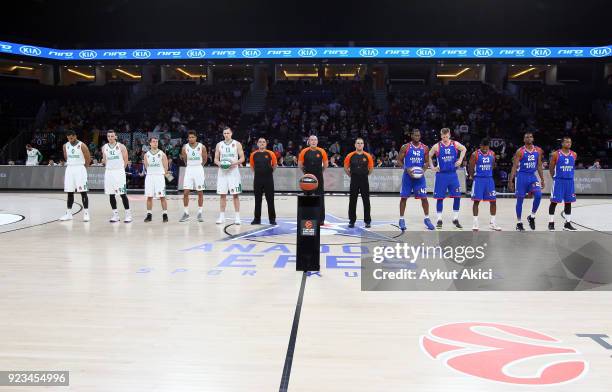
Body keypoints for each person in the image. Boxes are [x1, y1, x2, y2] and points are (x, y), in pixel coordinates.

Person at [428, 128, 467, 229]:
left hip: (452, 175)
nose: (445, 138)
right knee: (440, 198)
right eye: (443, 137)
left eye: (446, 136)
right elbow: (429, 155)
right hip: (441, 175)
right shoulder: (437, 146)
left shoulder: (455, 144)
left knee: (457, 196)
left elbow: (464, 149)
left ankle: (455, 219)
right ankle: (439, 219)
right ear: (441, 136)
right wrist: (432, 167)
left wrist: (460, 159)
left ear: (449, 135)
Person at [397, 129, 435, 231]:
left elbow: (427, 162)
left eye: (419, 135)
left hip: (419, 178)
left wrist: (423, 170)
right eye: (415, 135)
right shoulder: (405, 147)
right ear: (411, 136)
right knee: (404, 197)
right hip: (407, 176)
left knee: (424, 198)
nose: (417, 137)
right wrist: (407, 169)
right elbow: (398, 161)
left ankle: (427, 219)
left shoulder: (425, 148)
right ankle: (401, 219)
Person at [508, 132, 545, 231]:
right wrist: (510, 181)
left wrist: (542, 179)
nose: (529, 138)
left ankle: (532, 216)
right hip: (521, 177)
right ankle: (519, 223)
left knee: (538, 195)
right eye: (526, 137)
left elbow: (539, 166)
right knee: (520, 200)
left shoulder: (538, 150)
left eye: (530, 137)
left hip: (532, 177)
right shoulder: (520, 151)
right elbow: (514, 166)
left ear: (533, 139)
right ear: (524, 140)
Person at [468, 138, 501, 231]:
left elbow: (493, 165)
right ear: (480, 146)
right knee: (476, 201)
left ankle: (493, 223)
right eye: (484, 146)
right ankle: (475, 223)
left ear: (489, 147)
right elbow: (470, 167)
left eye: (487, 147)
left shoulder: (492, 154)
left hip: (489, 180)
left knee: (493, 201)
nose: (485, 148)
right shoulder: (475, 154)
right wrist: (473, 177)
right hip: (478, 180)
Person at [214, 127, 245, 225]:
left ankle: (237, 217)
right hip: (222, 172)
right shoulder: (219, 145)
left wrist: (233, 163)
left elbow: (243, 158)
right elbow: (215, 159)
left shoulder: (237, 144)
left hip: (234, 172)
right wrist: (221, 164)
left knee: (235, 195)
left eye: (228, 133)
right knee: (222, 195)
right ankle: (221, 216)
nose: (226, 135)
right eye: (224, 133)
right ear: (223, 134)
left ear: (231, 133)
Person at [59, 130, 91, 222]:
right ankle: (69, 214)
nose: (70, 140)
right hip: (70, 168)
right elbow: (66, 157)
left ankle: (86, 214)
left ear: (75, 136)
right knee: (70, 192)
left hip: (80, 168)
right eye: (68, 138)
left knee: (83, 192)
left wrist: (84, 169)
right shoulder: (65, 145)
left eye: (72, 138)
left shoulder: (82, 145)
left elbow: (88, 159)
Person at [102, 130, 132, 223]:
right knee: (111, 194)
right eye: (108, 136)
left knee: (122, 194)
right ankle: (115, 215)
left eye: (112, 136)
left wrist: (121, 170)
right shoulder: (104, 147)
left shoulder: (121, 146)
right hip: (109, 172)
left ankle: (128, 215)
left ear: (115, 137)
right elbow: (104, 160)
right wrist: (104, 162)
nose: (110, 138)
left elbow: (126, 160)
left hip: (118, 172)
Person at [548, 136, 577, 231]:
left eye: (570, 142)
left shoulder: (574, 154)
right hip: (559, 181)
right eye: (567, 142)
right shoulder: (556, 154)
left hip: (569, 181)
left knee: (568, 202)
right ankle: (551, 223)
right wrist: (555, 178)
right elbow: (551, 168)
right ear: (562, 143)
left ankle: (567, 223)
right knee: (554, 202)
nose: (569, 144)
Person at [298, 135, 329, 225]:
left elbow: (326, 164)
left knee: (320, 197)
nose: (313, 141)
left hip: (318, 177)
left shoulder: (322, 151)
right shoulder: (304, 151)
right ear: (309, 141)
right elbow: (300, 164)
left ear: (317, 141)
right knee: (307, 197)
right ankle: (308, 218)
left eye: (315, 140)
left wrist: (320, 172)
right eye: (311, 140)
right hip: (307, 177)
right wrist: (306, 173)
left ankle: (321, 219)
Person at [344, 137, 374, 228]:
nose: (359, 144)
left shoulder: (367, 156)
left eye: (361, 143)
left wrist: (365, 175)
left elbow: (371, 168)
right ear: (355, 145)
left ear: (363, 145)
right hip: (354, 180)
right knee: (352, 201)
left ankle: (367, 221)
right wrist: (352, 175)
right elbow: (345, 168)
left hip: (364, 180)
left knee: (366, 201)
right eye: (358, 143)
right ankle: (352, 221)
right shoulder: (350, 155)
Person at [180, 130, 208, 222]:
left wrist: (199, 166)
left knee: (200, 192)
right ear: (188, 138)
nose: (191, 138)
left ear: (196, 137)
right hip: (189, 169)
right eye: (189, 137)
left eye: (193, 137)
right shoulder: (185, 147)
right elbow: (185, 160)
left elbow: (205, 159)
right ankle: (186, 213)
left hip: (198, 169)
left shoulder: (202, 147)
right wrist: (190, 165)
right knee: (185, 192)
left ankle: (200, 213)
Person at [249, 137, 277, 225]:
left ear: (266, 144)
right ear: (257, 144)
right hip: (257, 179)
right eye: (260, 142)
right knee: (257, 200)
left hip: (268, 179)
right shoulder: (253, 154)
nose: (261, 143)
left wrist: (268, 172)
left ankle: (272, 219)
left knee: (270, 200)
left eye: (263, 142)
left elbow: (275, 165)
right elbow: (252, 167)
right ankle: (257, 219)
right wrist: (259, 173)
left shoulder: (271, 153)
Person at [143, 137, 169, 223]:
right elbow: (146, 167)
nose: (155, 143)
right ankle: (149, 215)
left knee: (162, 196)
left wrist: (167, 176)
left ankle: (165, 215)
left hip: (159, 177)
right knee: (149, 196)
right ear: (150, 143)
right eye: (153, 142)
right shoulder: (146, 155)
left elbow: (166, 168)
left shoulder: (162, 154)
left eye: (156, 142)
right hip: (150, 177)